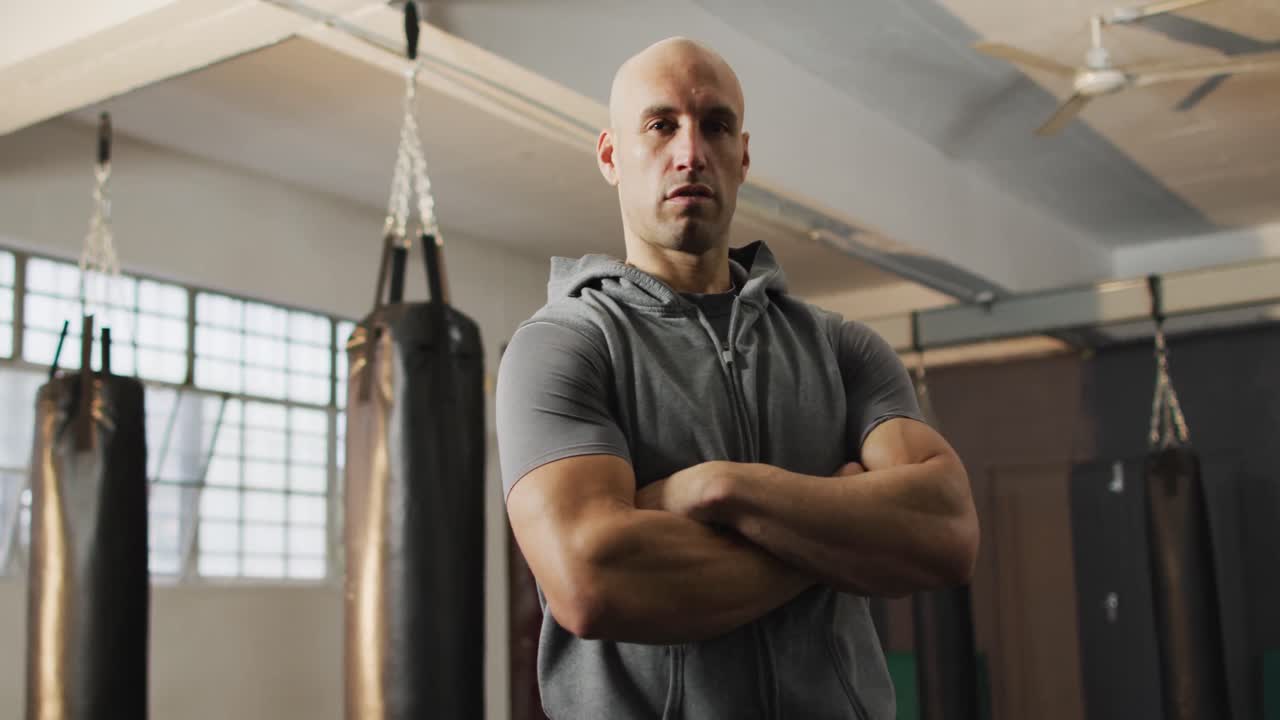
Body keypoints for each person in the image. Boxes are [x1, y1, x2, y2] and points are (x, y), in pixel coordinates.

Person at [496, 36, 979, 720]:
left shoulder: (841, 348)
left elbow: (950, 532)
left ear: (742, 155)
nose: (690, 152)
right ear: (611, 156)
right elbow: (592, 581)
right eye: (661, 125)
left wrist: (716, 489)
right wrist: (842, 536)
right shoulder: (564, 347)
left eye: (715, 125)